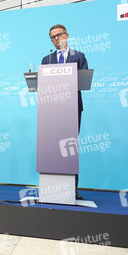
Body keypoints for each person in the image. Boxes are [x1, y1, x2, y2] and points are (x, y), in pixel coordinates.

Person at [41, 24, 88, 200]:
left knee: (70, 148)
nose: (56, 39)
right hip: (51, 110)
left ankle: (72, 188)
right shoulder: (47, 59)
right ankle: (51, 186)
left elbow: (83, 79)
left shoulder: (79, 56)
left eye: (59, 35)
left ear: (67, 35)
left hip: (72, 107)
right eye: (52, 37)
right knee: (52, 147)